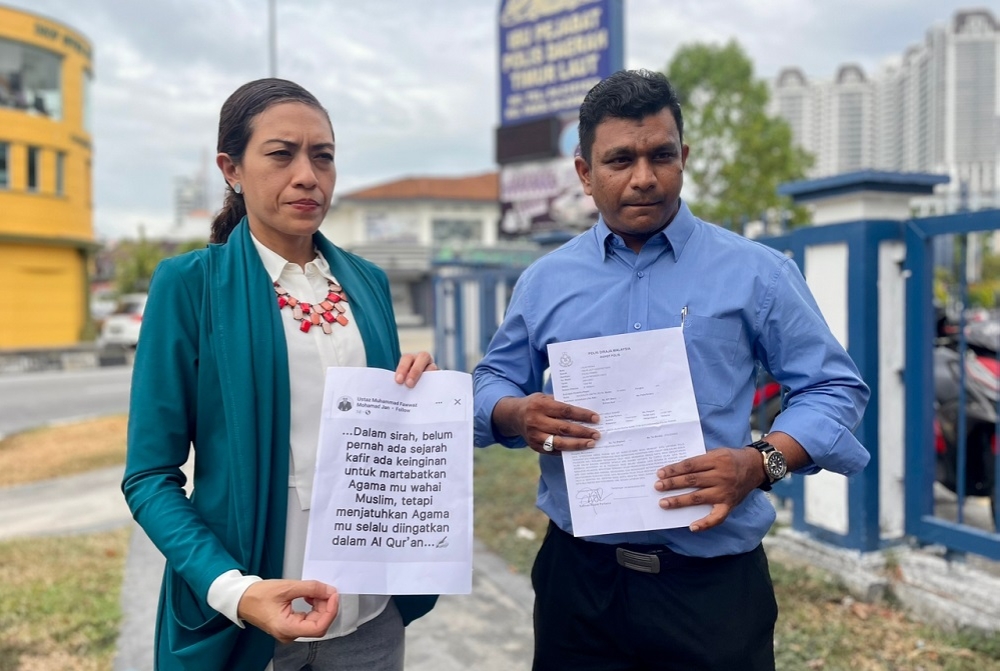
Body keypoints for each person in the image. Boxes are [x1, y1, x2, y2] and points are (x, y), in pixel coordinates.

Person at [473, 69, 870, 671]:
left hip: (710, 589)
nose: (643, 177)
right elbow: (491, 383)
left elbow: (833, 388)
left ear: (683, 157)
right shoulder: (545, 282)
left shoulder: (757, 272)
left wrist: (759, 463)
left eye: (661, 155)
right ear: (585, 173)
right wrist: (516, 412)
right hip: (578, 585)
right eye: (619, 160)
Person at [122, 78, 438, 671]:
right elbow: (149, 477)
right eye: (281, 153)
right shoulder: (190, 287)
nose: (307, 175)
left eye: (323, 156)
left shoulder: (366, 283)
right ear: (231, 169)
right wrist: (236, 592)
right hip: (249, 626)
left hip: (369, 616)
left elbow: (383, 440)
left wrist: (417, 395)